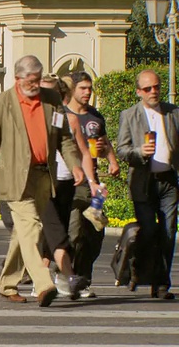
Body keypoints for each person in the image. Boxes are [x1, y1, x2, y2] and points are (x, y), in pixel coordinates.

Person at [0, 55, 85, 307]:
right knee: (31, 227)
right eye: (31, 81)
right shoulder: (0, 104)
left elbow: (64, 138)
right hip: (14, 177)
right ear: (18, 79)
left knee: (22, 234)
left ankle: (6, 283)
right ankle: (44, 283)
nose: (35, 85)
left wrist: (74, 165)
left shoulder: (52, 100)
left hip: (43, 175)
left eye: (38, 80)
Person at [116, 69, 178, 300]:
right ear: (138, 91)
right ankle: (135, 267)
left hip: (168, 181)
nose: (154, 92)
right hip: (143, 182)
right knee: (149, 231)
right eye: (148, 88)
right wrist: (140, 152)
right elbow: (122, 149)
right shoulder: (129, 115)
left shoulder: (173, 113)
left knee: (168, 232)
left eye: (157, 87)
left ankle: (161, 284)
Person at [61, 72, 120, 298]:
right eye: (83, 88)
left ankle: (84, 280)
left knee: (94, 233)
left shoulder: (96, 117)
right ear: (73, 90)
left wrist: (112, 161)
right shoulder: (64, 116)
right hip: (72, 180)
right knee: (74, 231)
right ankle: (69, 276)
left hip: (93, 183)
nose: (87, 92)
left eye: (89, 88)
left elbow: (105, 144)